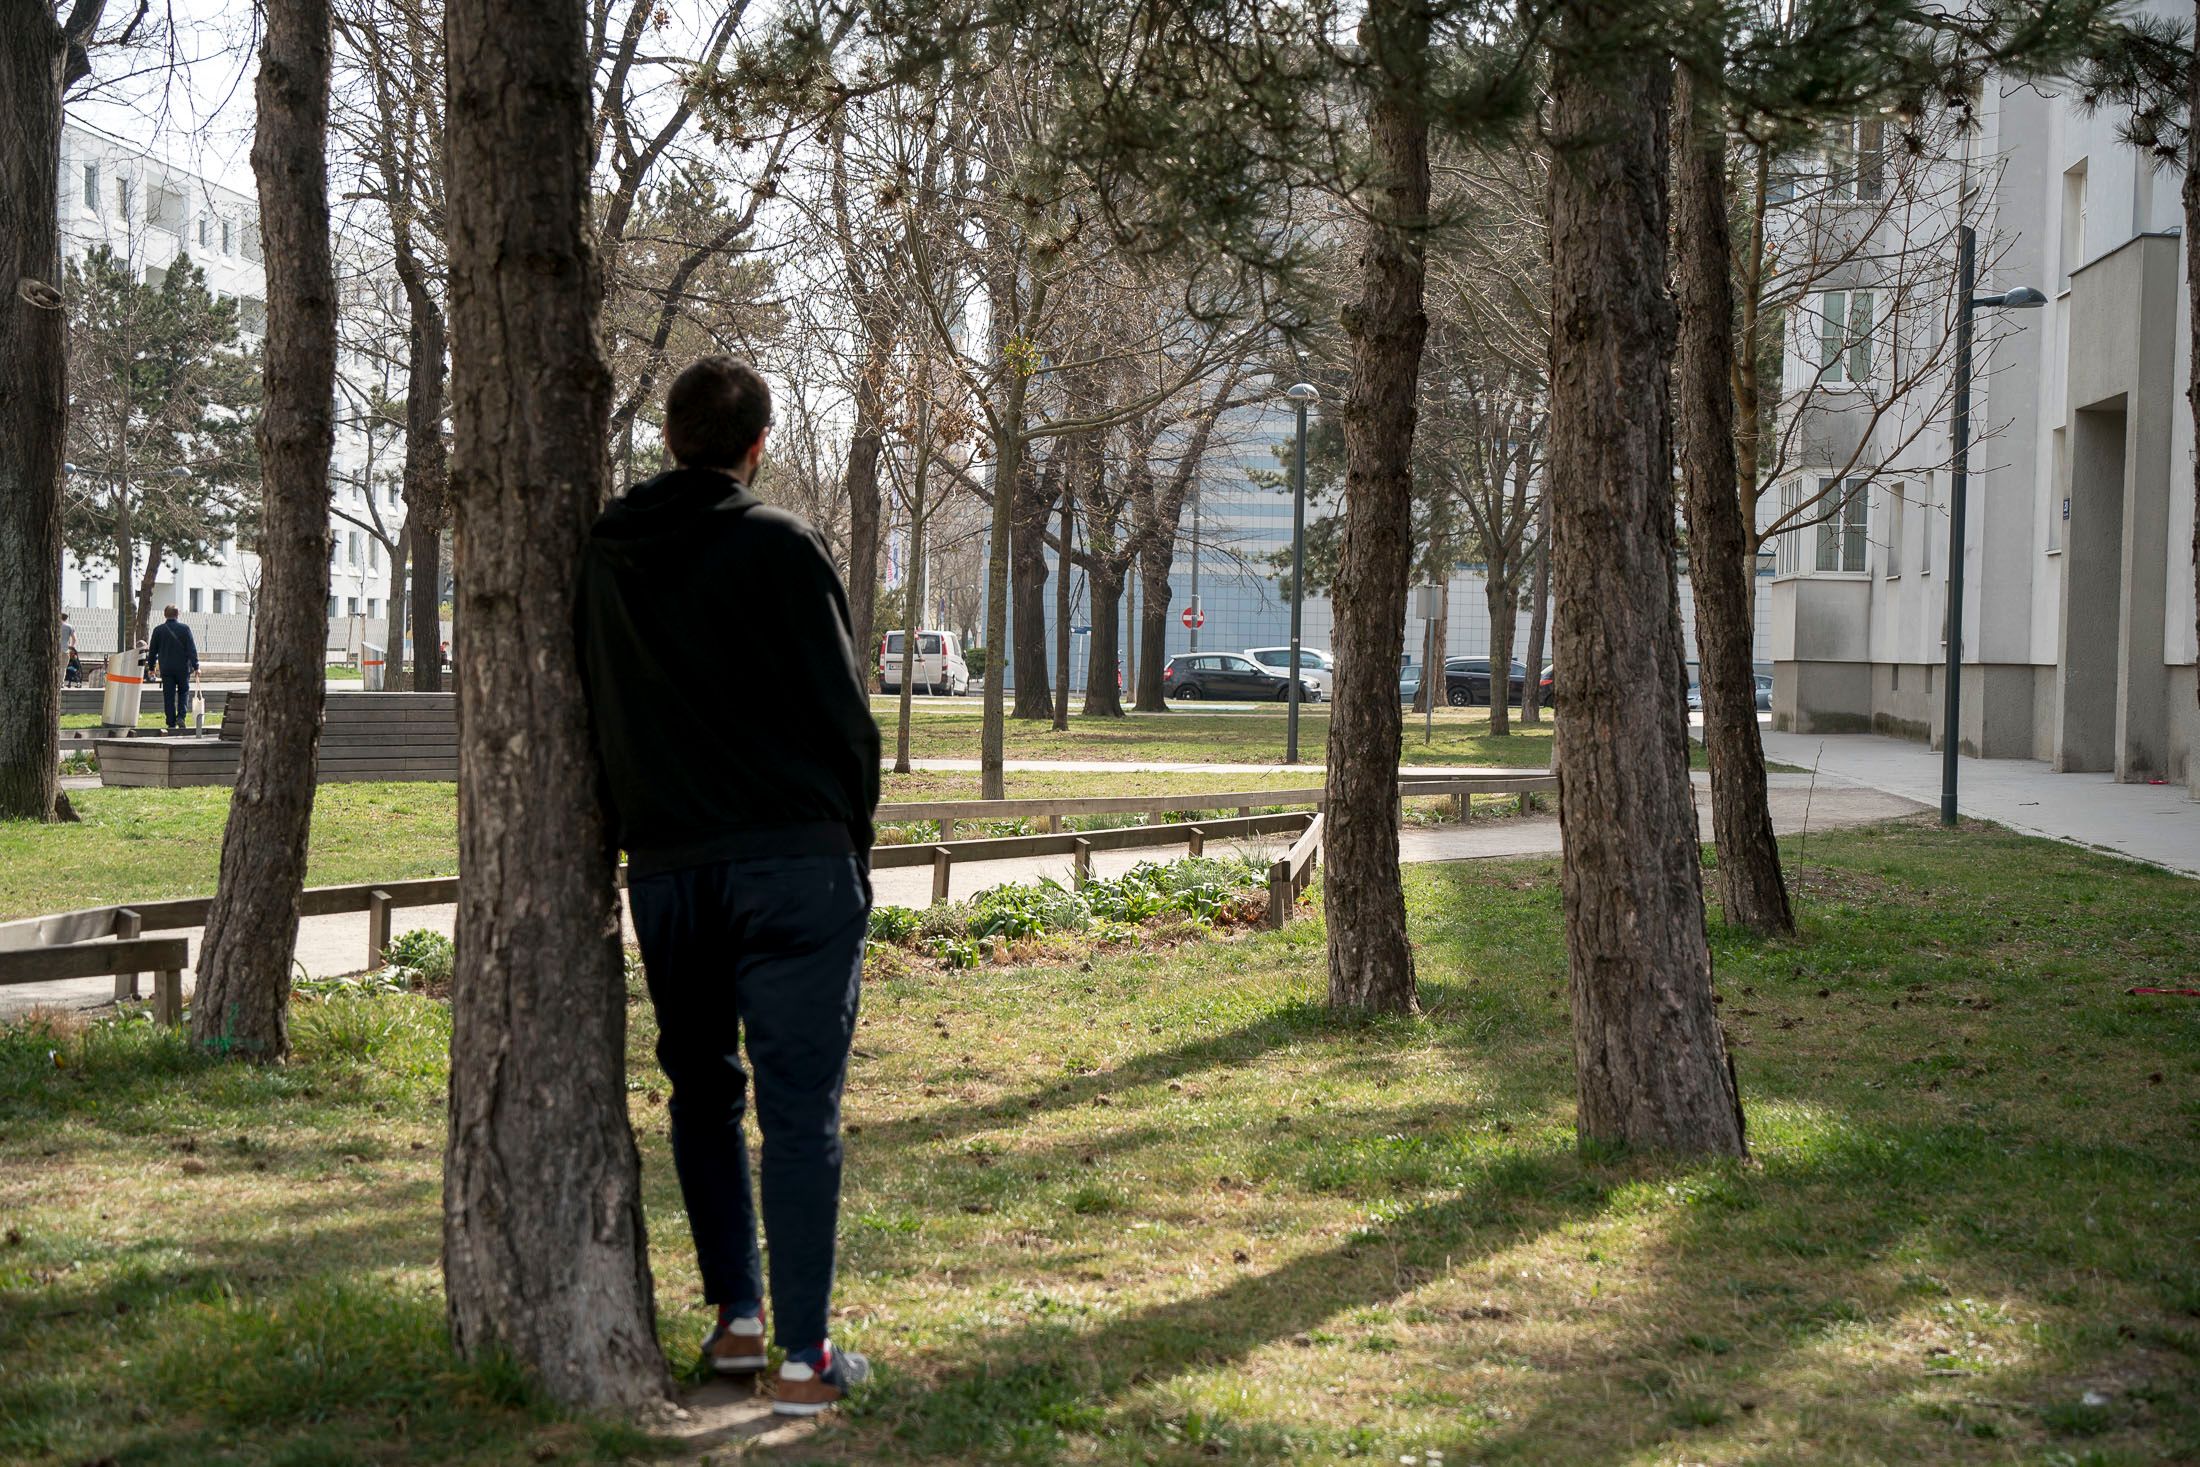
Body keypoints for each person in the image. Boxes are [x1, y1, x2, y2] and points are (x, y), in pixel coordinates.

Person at [575, 356, 880, 1416]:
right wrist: (852, 836)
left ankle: (738, 1319)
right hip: (794, 863)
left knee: (702, 1092)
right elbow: (843, 714)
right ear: (758, 446)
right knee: (798, 1106)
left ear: (669, 439)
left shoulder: (607, 553)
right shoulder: (782, 545)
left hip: (669, 868)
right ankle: (804, 1359)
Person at [144, 605, 200, 731]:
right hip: (183, 668)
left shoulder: (158, 630)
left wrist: (151, 668)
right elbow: (191, 649)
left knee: (168, 695)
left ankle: (170, 722)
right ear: (177, 614)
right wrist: (196, 666)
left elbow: (152, 651)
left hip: (166, 668)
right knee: (183, 692)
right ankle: (181, 716)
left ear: (165, 614)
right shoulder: (185, 629)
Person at [60, 613, 81, 685]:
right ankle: (61, 683)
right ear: (66, 619)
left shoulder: (54, 625)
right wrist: (71, 647)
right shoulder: (69, 627)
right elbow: (74, 639)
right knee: (63, 668)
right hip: (65, 650)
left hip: (55, 651)